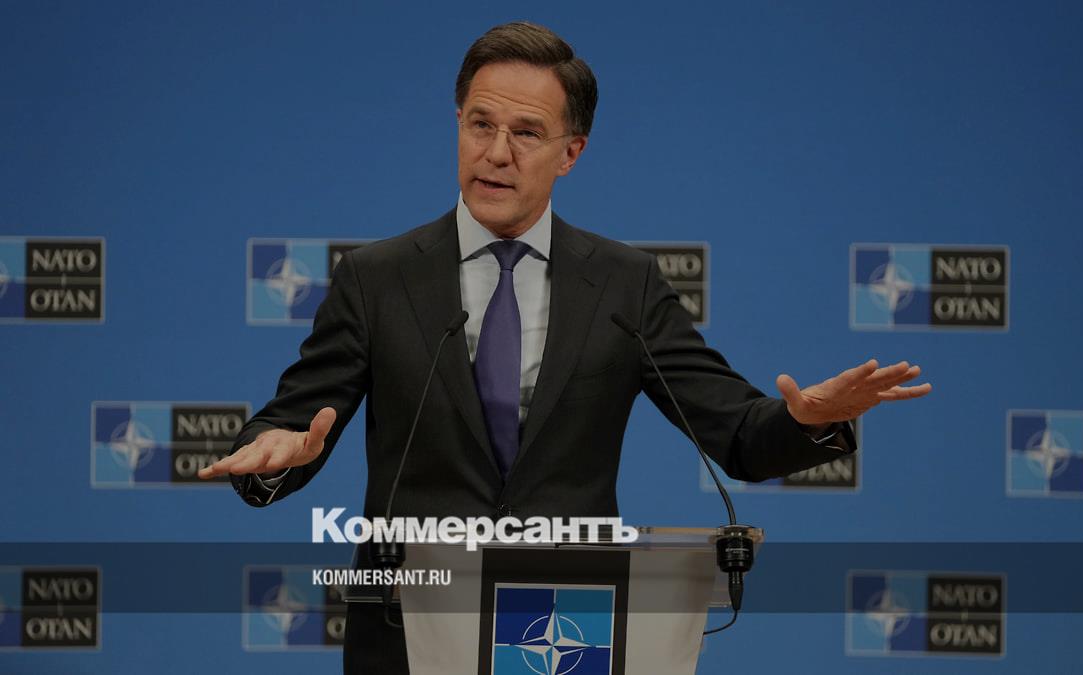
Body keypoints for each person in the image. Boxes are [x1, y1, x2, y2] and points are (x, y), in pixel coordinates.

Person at [200, 21, 930, 672]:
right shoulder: (377, 278)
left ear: (570, 152)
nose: (496, 152)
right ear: (458, 124)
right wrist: (274, 453)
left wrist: (807, 420)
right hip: (408, 631)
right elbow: (292, 422)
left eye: (526, 133)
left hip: (568, 633)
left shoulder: (623, 284)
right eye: (480, 124)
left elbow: (735, 431)